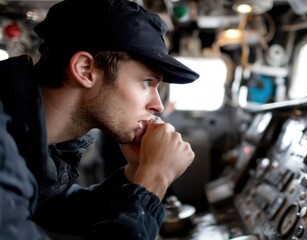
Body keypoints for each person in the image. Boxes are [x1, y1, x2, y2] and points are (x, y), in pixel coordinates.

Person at [0, 0, 199, 239]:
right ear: (85, 70)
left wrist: (137, 170)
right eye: (147, 82)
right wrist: (155, 180)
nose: (157, 105)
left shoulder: (25, 139)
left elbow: (56, 208)